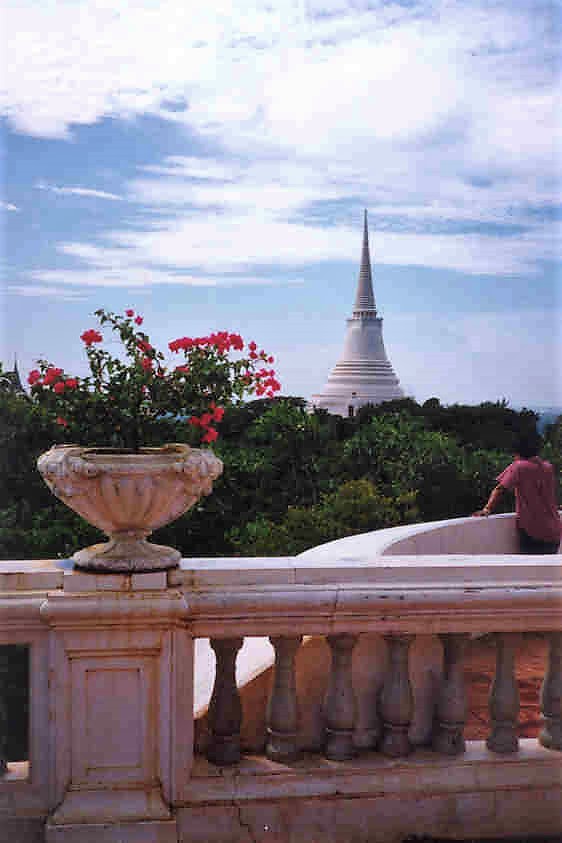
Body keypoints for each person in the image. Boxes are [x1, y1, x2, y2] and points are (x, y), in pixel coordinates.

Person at [473, 433, 561, 554]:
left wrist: (487, 509)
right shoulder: (548, 467)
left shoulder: (519, 467)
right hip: (554, 530)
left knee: (530, 565)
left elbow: (500, 489)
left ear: (517, 452)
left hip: (533, 530)